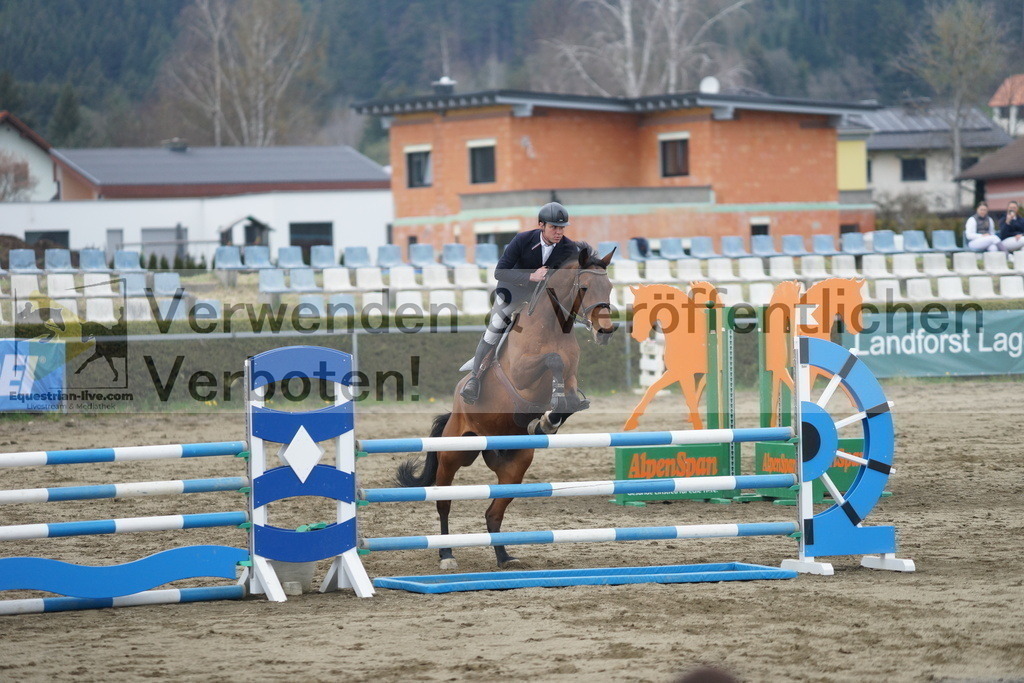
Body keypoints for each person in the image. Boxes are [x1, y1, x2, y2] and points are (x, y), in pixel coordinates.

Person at [460, 201, 579, 404]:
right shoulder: (523, 240)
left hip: (542, 299)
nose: (558, 232)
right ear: (541, 225)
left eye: (561, 228)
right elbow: (500, 271)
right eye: (554, 227)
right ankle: (474, 379)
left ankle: (570, 386)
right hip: (513, 293)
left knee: (563, 330)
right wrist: (530, 277)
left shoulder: (569, 248)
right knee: (495, 327)